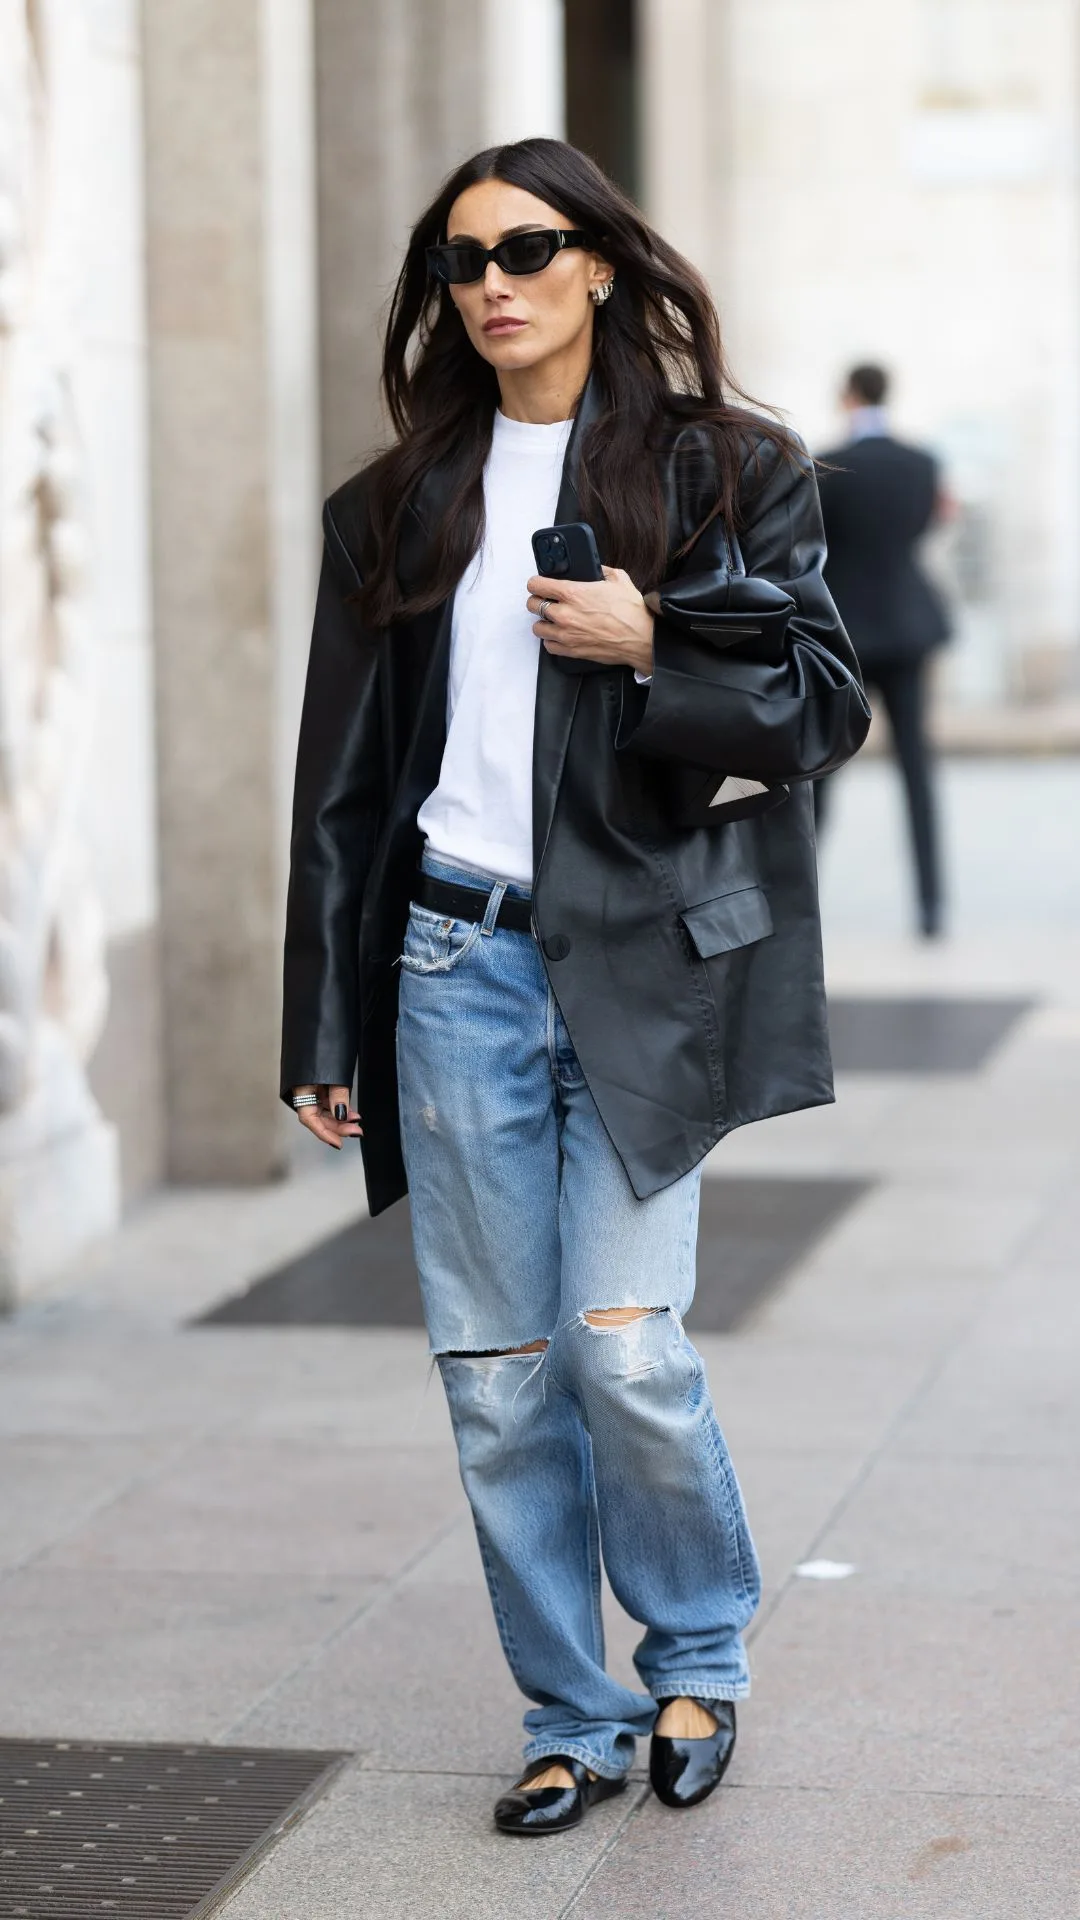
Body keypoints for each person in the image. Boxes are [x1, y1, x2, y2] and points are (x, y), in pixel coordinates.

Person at [280, 138, 870, 1837]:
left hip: (635, 969)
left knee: (624, 1348)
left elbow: (823, 706)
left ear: (603, 264)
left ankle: (699, 1653)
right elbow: (340, 786)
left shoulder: (725, 470)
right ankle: (573, 1708)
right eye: (463, 261)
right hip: (450, 967)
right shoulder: (395, 506)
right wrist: (325, 1018)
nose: (495, 284)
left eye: (530, 248)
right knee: (500, 1372)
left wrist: (656, 646)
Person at [816, 364, 952, 936]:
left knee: (818, 766)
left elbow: (814, 539)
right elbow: (922, 529)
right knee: (918, 770)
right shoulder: (921, 463)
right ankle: (930, 907)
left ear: (848, 395)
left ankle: (798, 893)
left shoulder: (828, 463)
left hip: (845, 628)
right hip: (907, 622)